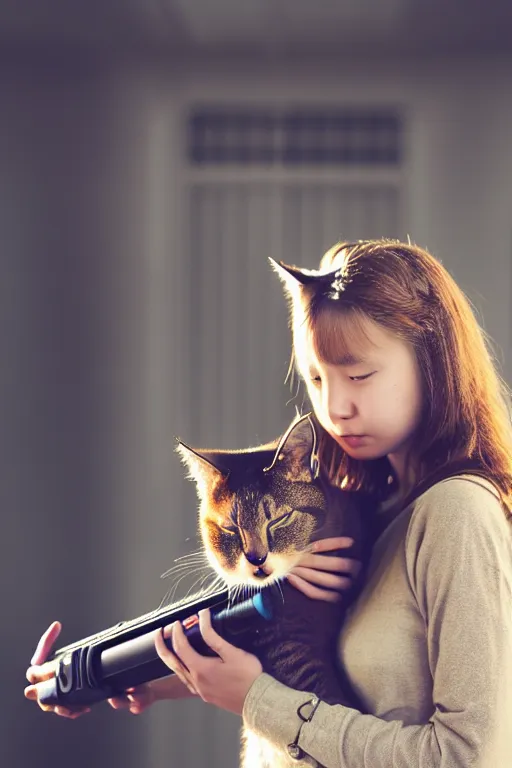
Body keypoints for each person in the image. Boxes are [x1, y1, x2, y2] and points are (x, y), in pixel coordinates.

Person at [26, 238, 512, 767]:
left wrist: (256, 701)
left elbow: (469, 758)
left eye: (359, 376)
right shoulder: (375, 508)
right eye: (317, 378)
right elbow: (341, 676)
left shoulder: (456, 513)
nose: (334, 407)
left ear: (433, 359)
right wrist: (142, 677)